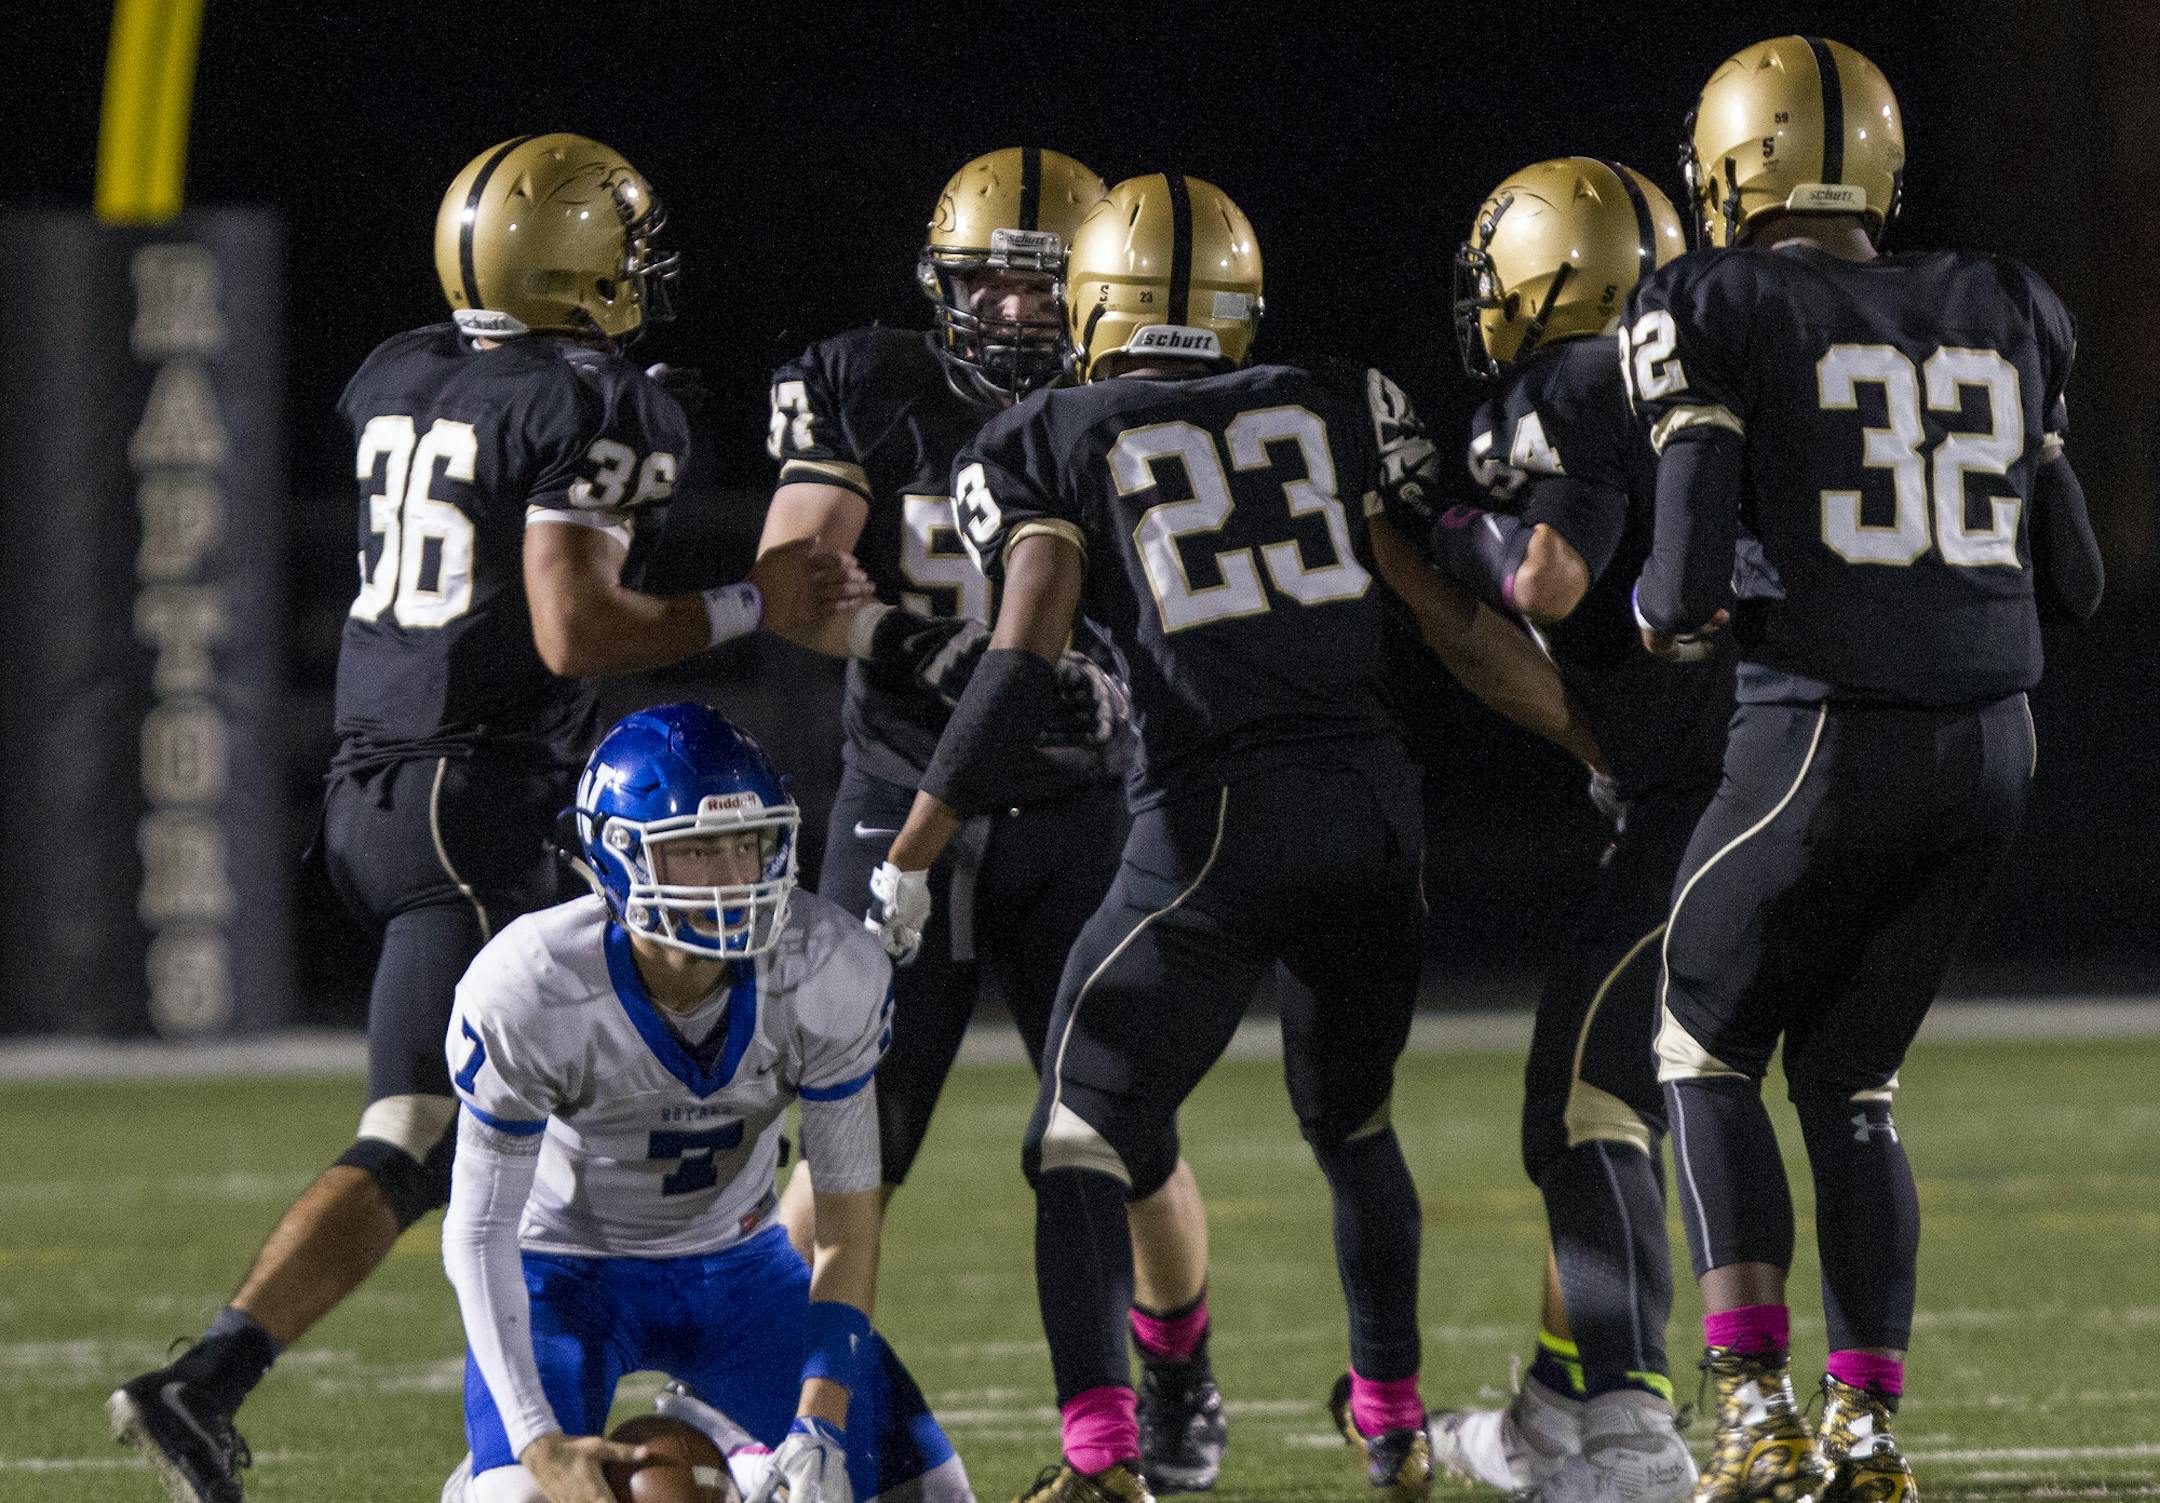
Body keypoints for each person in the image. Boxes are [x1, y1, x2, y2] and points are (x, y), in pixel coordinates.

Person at [109, 134, 866, 1503]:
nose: (645, 275)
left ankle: (224, 1379)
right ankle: (259, 1380)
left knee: (448, 1115)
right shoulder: (596, 401)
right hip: (480, 788)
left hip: (375, 779)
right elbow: (574, 627)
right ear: (570, 262)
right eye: (623, 248)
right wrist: (762, 603)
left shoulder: (406, 368)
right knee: (442, 1128)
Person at [868, 171, 1588, 1503]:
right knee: (1356, 1124)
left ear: (1100, 300)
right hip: (1377, 814)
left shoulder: (1050, 431)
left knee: (1077, 1131)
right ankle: (1392, 1426)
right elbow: (1459, 627)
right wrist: (1603, 751)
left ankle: (1103, 1460)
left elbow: (1019, 657)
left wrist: (914, 844)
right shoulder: (1326, 399)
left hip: (1209, 822)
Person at [1624, 37, 2102, 1503]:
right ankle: (1868, 1428)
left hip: (1828, 723)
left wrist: (1668, 612)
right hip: (1996, 744)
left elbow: (1683, 577)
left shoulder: (1707, 296)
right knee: (1854, 1079)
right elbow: (2072, 581)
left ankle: (1757, 1410)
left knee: (1700, 1045)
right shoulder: (2008, 298)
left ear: (1728, 167)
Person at [758, 148, 1229, 1492]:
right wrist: (921, 646)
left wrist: (1119, 674)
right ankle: (766, 1393)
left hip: (1080, 802)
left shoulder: (1127, 397)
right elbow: (795, 582)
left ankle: (1179, 1366)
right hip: (900, 790)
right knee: (854, 1126)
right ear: (940, 282)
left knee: (1117, 1119)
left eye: (1045, 289)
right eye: (992, 285)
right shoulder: (868, 380)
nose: (1021, 315)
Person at [1356, 157, 1717, 1503]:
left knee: (1590, 1105)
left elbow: (1545, 579)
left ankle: (1627, 1419)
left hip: (1723, 799)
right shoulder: (1707, 368)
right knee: (1648, 1093)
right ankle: (1569, 1402)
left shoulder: (1575, 385)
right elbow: (1573, 697)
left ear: (1549, 274)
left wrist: (1445, 530)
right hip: (1781, 767)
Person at [435, 702, 968, 1503]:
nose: (732, 875)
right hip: (564, 1267)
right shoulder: (531, 987)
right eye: (693, 850)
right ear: (616, 857)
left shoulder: (828, 967)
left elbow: (847, 1226)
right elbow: (479, 1229)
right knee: (521, 1497)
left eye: (745, 844)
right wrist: (537, 1445)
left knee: (930, 1493)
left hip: (739, 1265)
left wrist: (819, 1424)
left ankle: (743, 1458)